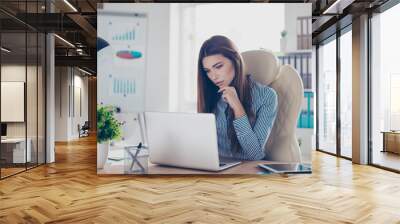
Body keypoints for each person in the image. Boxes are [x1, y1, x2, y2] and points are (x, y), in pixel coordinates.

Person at [197, 35, 278, 161]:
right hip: (214, 167)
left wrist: (237, 107)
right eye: (207, 71)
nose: (213, 76)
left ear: (235, 60)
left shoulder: (267, 96)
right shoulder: (211, 93)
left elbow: (255, 154)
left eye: (218, 66)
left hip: (247, 171)